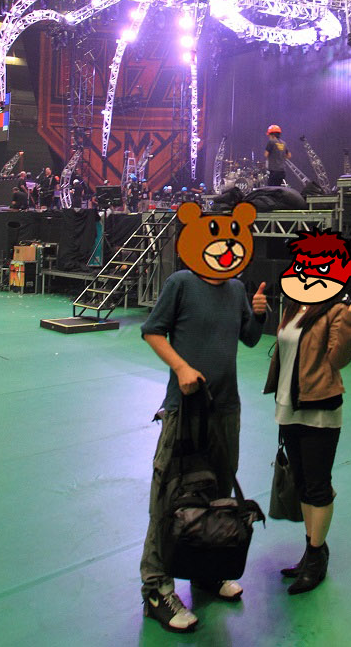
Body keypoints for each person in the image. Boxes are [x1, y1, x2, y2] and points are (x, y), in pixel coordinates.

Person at [139, 202, 266, 634]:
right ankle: (156, 589)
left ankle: (206, 572)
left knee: (217, 492)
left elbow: (250, 339)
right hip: (186, 410)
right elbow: (152, 331)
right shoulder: (181, 283)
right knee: (170, 498)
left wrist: (259, 312)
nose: (226, 246)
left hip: (226, 410)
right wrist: (181, 367)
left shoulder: (236, 287)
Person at [266, 230, 351, 595]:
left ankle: (316, 558)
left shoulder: (336, 310)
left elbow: (339, 360)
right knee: (302, 484)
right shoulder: (294, 306)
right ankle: (312, 550)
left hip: (320, 408)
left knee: (318, 484)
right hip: (289, 405)